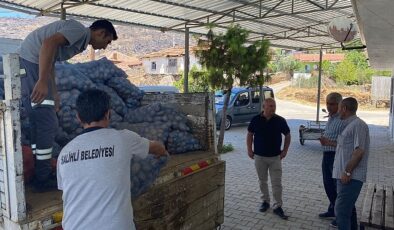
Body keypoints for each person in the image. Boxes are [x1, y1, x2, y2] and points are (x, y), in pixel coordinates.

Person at [18, 19, 118, 191]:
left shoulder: (79, 39)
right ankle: (42, 179)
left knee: (38, 122)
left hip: (31, 65)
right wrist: (42, 81)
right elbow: (48, 44)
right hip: (32, 65)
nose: (105, 47)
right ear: (101, 33)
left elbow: (50, 59)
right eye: (107, 41)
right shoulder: (79, 31)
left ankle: (39, 171)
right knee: (47, 123)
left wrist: (54, 91)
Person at [57, 89, 168, 230]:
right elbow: (155, 147)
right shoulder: (124, 138)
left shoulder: (64, 153)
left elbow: (68, 190)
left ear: (78, 117)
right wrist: (163, 151)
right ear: (108, 113)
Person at [246, 98, 291, 220]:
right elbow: (250, 134)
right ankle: (265, 202)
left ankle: (278, 206)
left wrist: (285, 150)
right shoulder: (256, 120)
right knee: (262, 181)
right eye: (270, 106)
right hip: (259, 157)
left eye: (274, 106)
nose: (273, 108)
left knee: (277, 183)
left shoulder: (280, 120)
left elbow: (287, 135)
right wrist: (249, 149)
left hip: (275, 157)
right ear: (263, 107)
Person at [332, 97, 370, 230]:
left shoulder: (358, 125)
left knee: (341, 211)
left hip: (350, 177)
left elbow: (359, 151)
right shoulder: (350, 125)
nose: (337, 111)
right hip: (345, 177)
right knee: (347, 210)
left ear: (344, 109)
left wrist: (347, 171)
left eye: (339, 108)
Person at [318, 93, 346, 224]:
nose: (328, 106)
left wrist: (328, 142)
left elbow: (345, 143)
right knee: (327, 184)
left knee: (335, 187)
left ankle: (339, 216)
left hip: (336, 157)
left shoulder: (342, 120)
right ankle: (332, 209)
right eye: (327, 103)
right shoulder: (332, 117)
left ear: (339, 104)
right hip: (327, 156)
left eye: (332, 104)